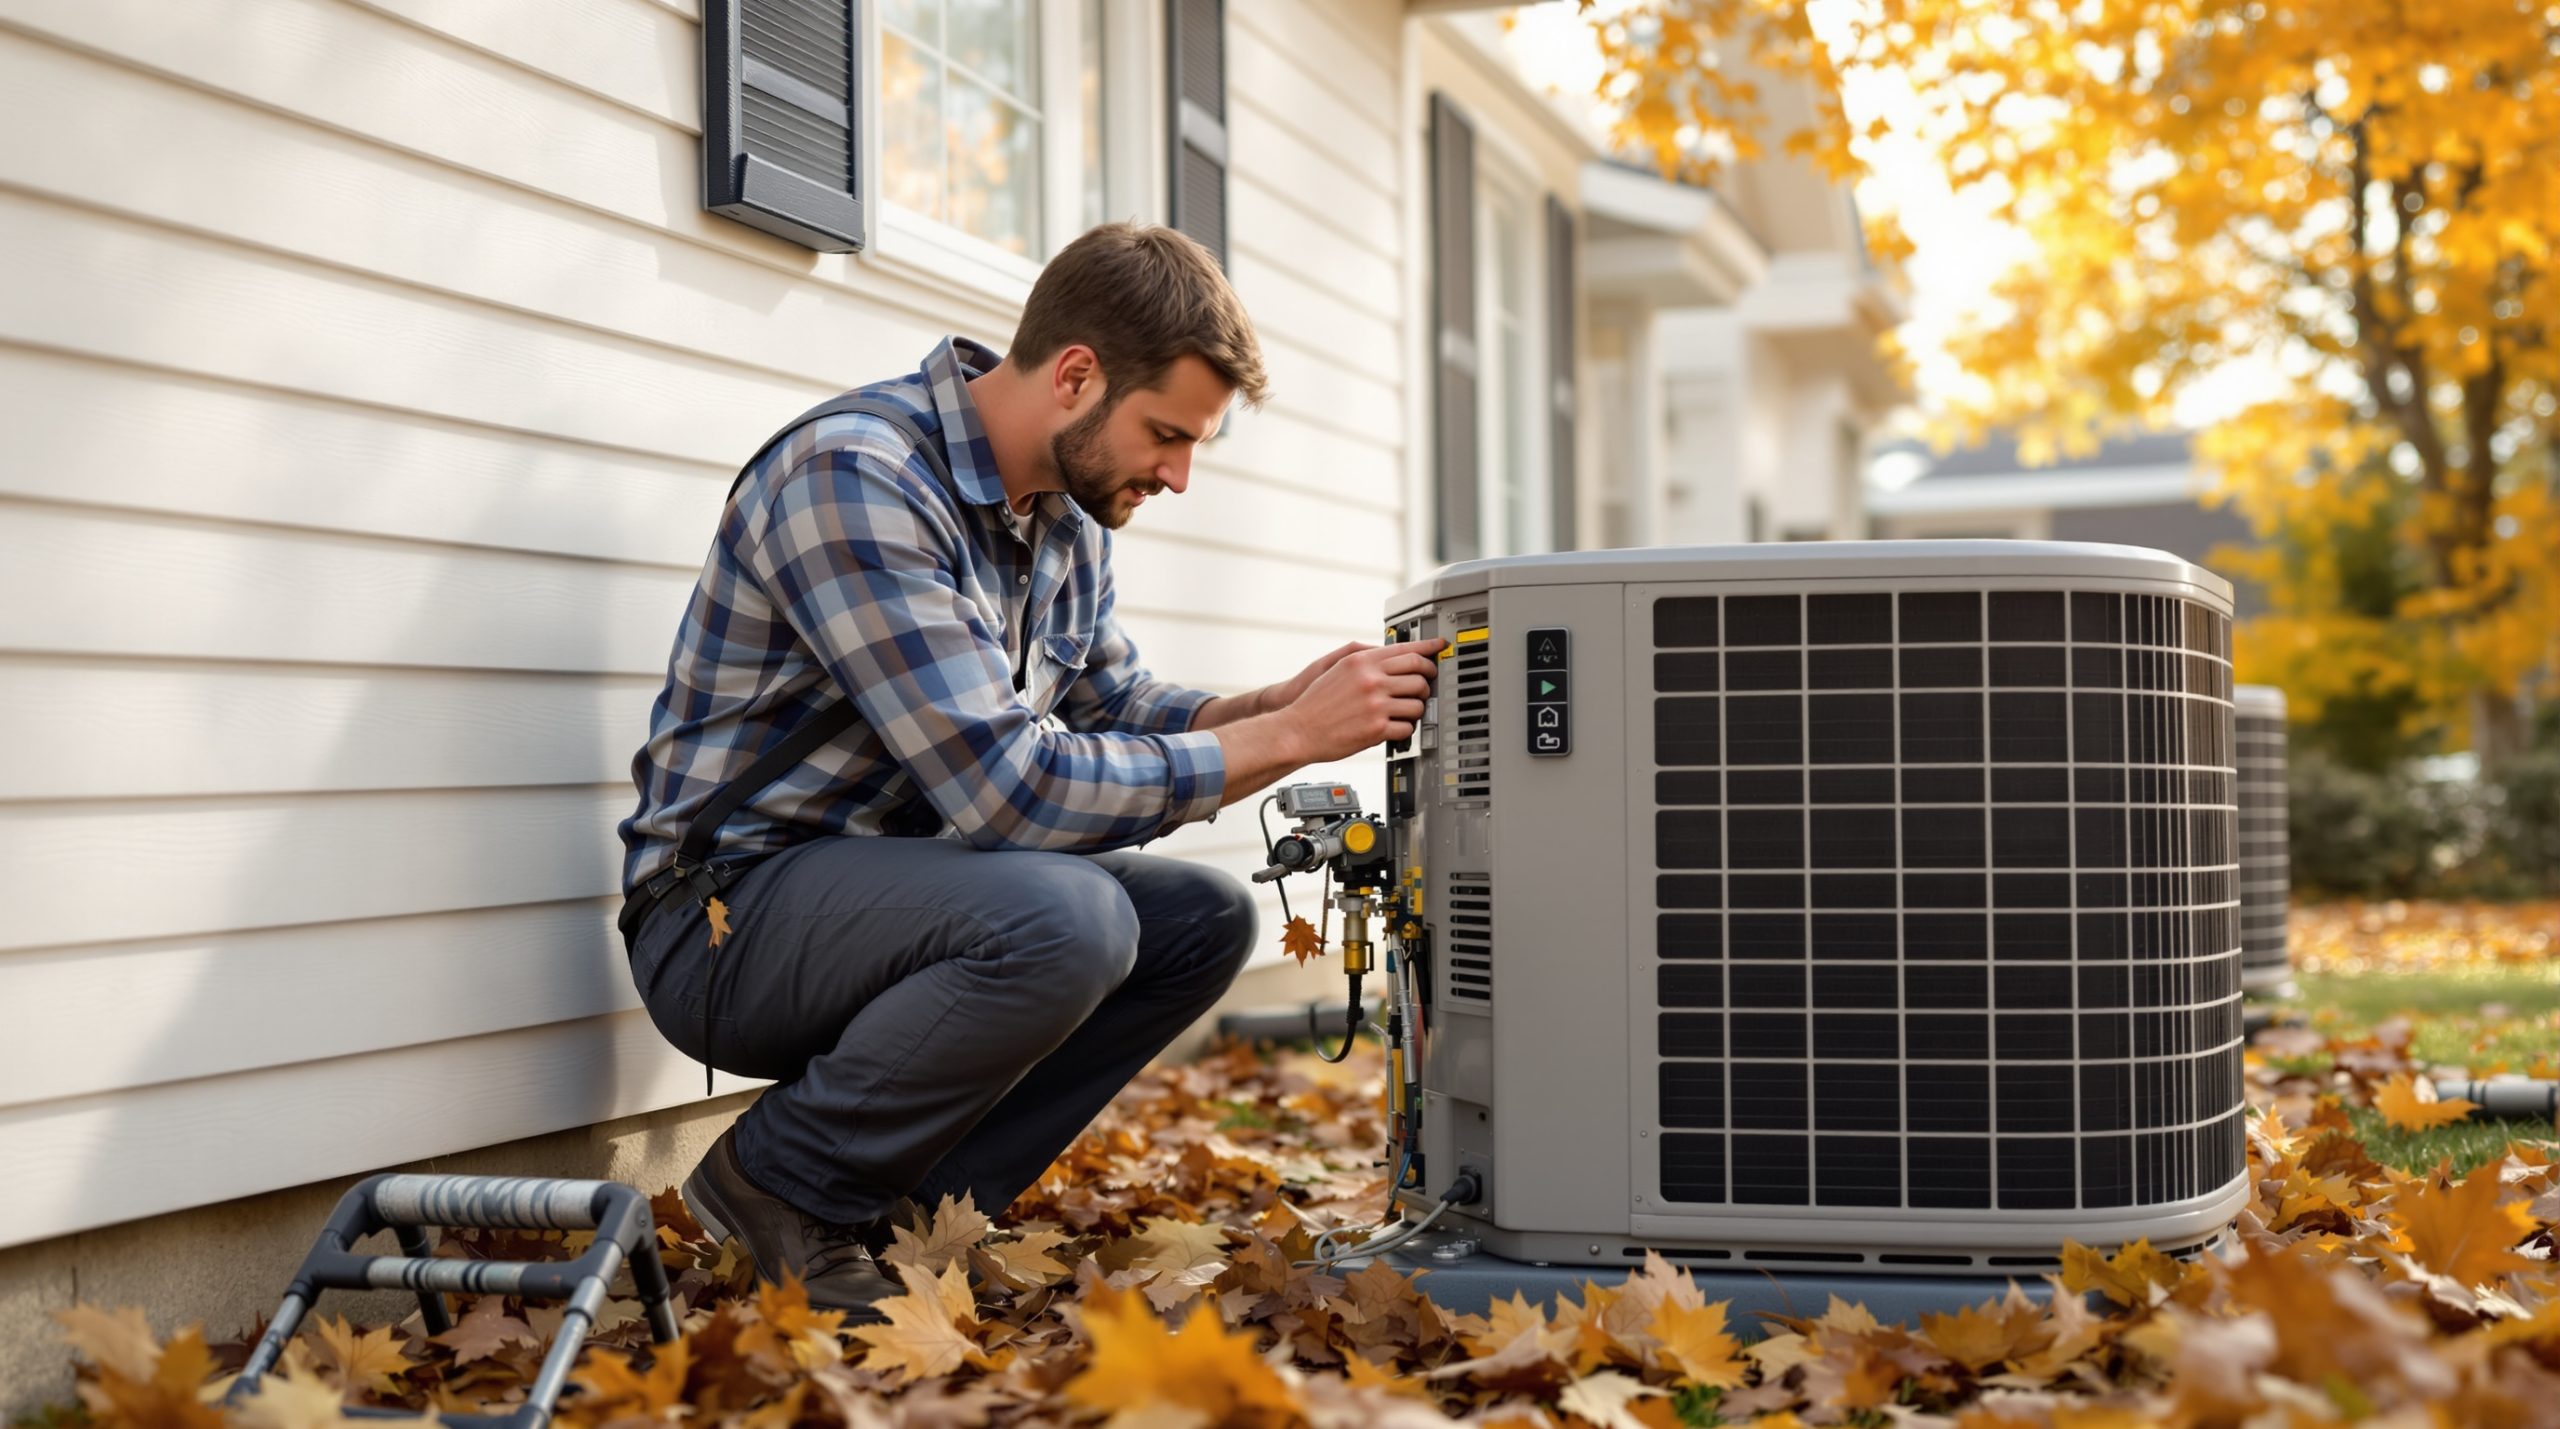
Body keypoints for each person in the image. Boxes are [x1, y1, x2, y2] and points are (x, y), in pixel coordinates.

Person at [615, 221, 1444, 1316]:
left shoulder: (1064, 516)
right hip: (723, 922)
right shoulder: (857, 478)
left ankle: (908, 1216)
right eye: (1166, 434)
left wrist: (1276, 705)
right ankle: (782, 1183)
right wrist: (1285, 743)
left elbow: (1118, 706)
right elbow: (1012, 793)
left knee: (1196, 918)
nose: (1179, 475)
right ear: (1074, 376)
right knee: (1071, 917)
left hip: (902, 893)